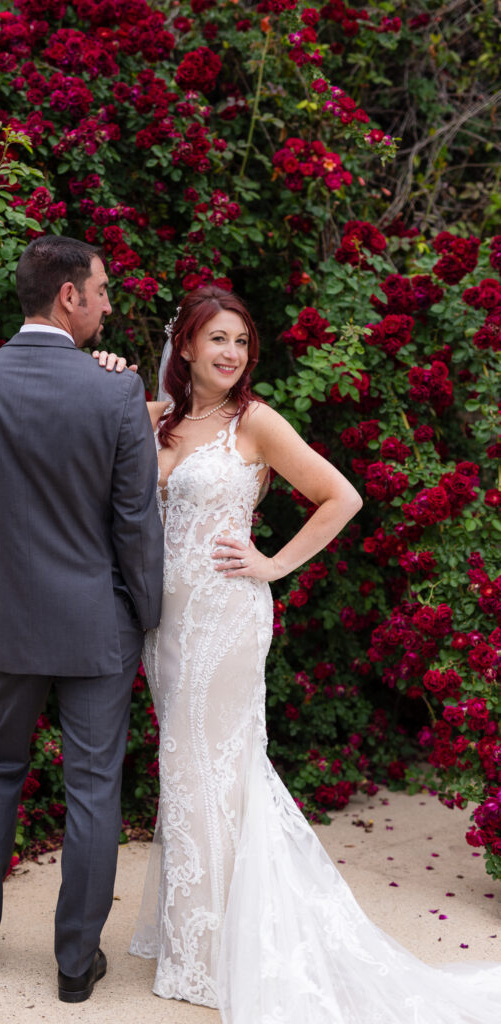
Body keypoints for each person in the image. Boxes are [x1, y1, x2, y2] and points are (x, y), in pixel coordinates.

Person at [109, 285, 501, 1024]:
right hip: (166, 626)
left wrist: (271, 564)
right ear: (184, 346)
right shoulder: (156, 421)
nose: (230, 353)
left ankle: (224, 947)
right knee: (186, 773)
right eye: (216, 339)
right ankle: (194, 936)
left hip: (225, 619)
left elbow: (341, 497)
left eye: (241, 342)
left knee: (221, 770)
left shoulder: (252, 422)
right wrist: (109, 380)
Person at [0, 235, 163, 1002]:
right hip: (98, 625)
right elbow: (136, 525)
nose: (106, 304)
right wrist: (145, 616)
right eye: (100, 291)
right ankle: (73, 967)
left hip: (8, 621)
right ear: (68, 295)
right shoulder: (112, 393)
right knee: (93, 790)